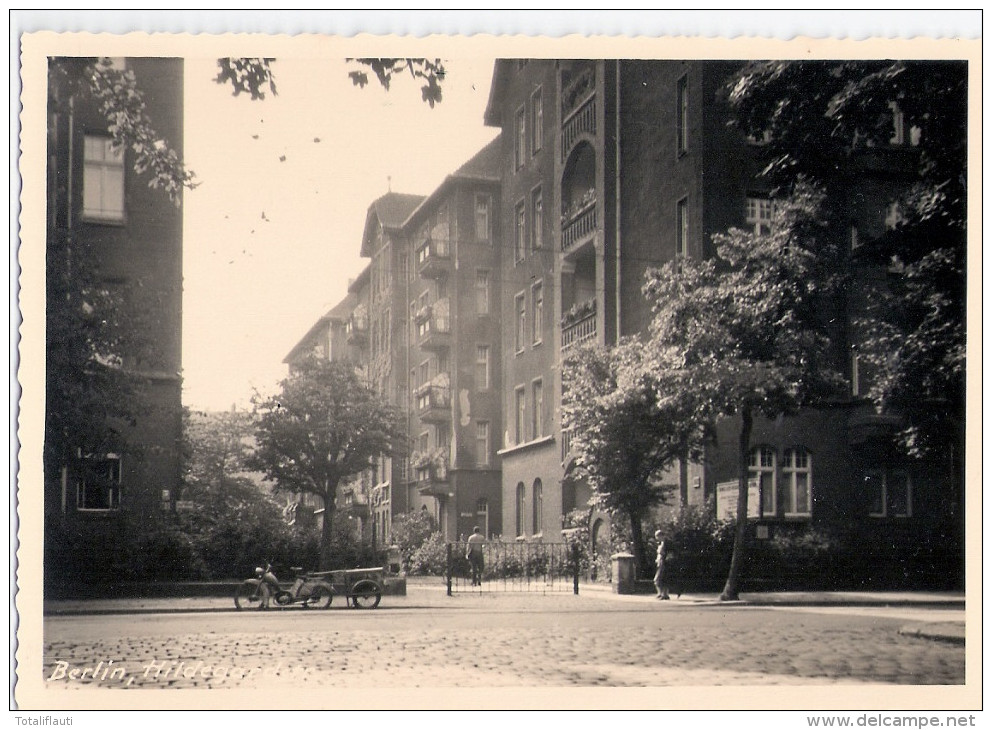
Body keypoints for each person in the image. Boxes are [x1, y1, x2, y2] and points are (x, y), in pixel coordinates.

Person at [653, 530, 670, 600]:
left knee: (659, 579)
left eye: (657, 536)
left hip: (664, 563)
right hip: (660, 562)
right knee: (659, 579)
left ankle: (664, 594)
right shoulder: (661, 543)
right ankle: (661, 593)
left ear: (661, 536)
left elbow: (668, 553)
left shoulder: (667, 543)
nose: (656, 538)